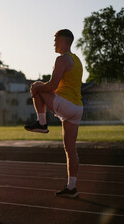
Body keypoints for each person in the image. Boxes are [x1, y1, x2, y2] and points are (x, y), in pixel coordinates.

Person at [24, 29, 83, 198]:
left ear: (65, 41)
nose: (54, 43)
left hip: (66, 105)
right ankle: (72, 187)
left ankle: (41, 123)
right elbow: (59, 86)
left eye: (56, 40)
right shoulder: (76, 60)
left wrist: (36, 88)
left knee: (36, 85)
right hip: (77, 108)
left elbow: (51, 85)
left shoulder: (62, 59)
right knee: (70, 149)